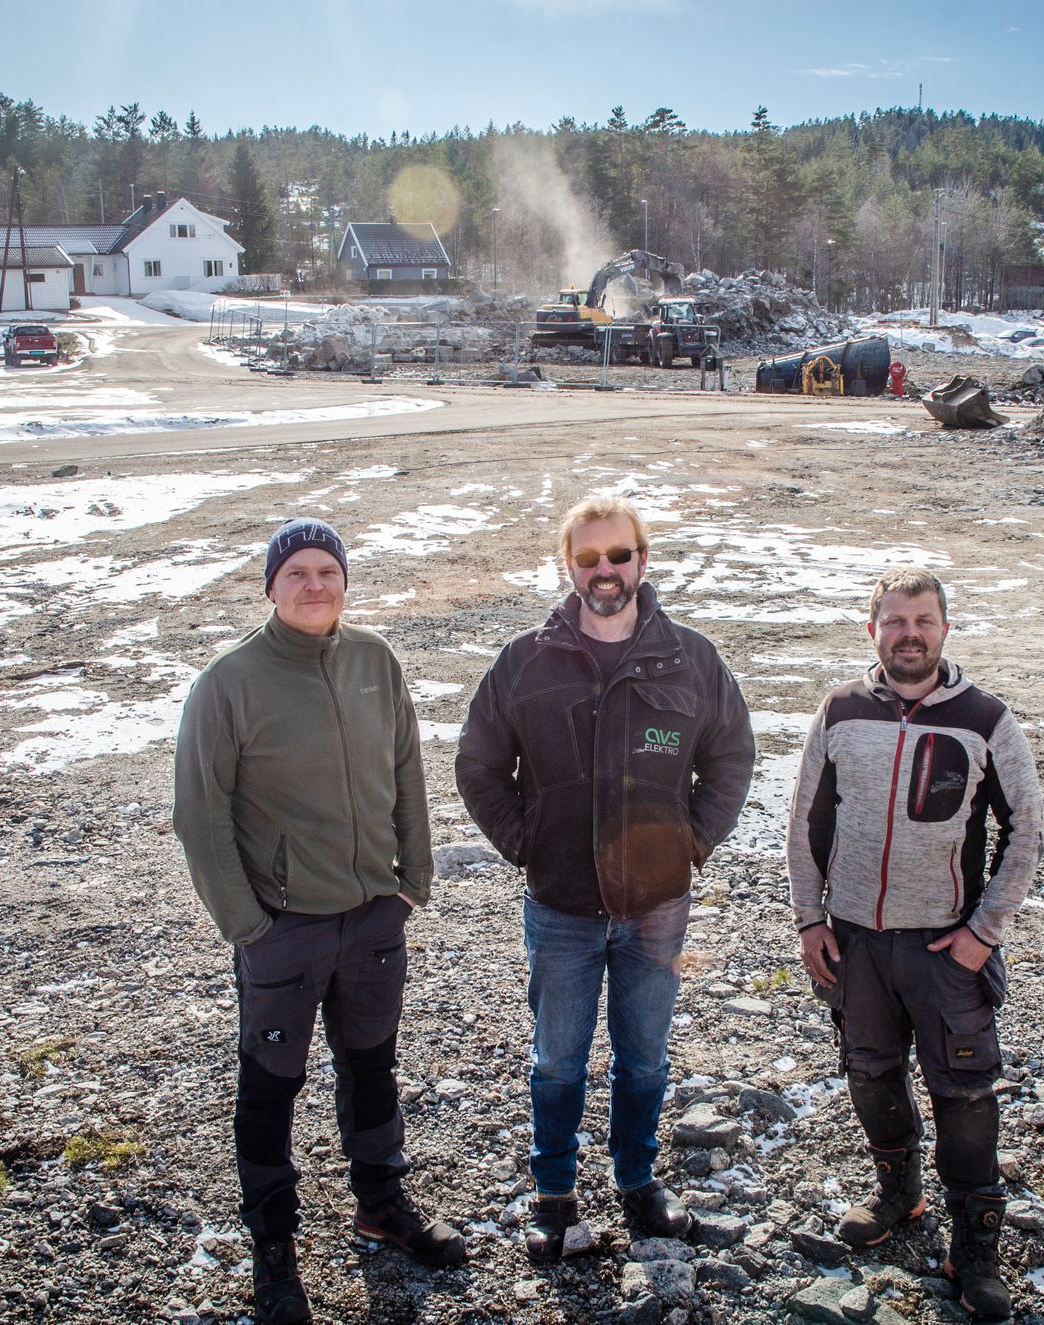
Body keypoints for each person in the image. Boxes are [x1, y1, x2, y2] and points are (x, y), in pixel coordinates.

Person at [174, 517, 464, 1325]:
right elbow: (201, 813)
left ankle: (380, 1202)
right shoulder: (228, 683)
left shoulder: (375, 660)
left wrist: (414, 880)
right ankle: (275, 1249)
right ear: (270, 585)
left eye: (326, 571)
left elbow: (407, 768)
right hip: (283, 926)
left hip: (374, 916)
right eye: (296, 571)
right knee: (271, 1087)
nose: (313, 585)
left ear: (344, 582)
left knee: (371, 1066)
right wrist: (247, 923)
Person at [456, 495, 756, 1261]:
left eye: (618, 555)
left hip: (656, 903)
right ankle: (553, 1194)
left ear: (642, 560)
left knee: (645, 1054)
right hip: (559, 903)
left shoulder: (691, 659)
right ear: (570, 567)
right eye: (588, 559)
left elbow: (731, 755)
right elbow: (479, 764)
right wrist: (525, 841)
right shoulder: (525, 662)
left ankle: (637, 1182)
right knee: (556, 1057)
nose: (605, 571)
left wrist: (693, 839)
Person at [786, 568, 1044, 1322]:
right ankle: (898, 1192)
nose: (909, 633)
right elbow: (805, 823)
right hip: (858, 942)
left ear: (944, 628)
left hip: (943, 949)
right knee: (869, 1074)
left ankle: (975, 1248)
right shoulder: (838, 710)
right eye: (895, 621)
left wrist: (981, 931)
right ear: (873, 631)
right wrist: (810, 919)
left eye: (923, 620)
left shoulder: (986, 718)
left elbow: (1024, 828)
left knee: (965, 1095)